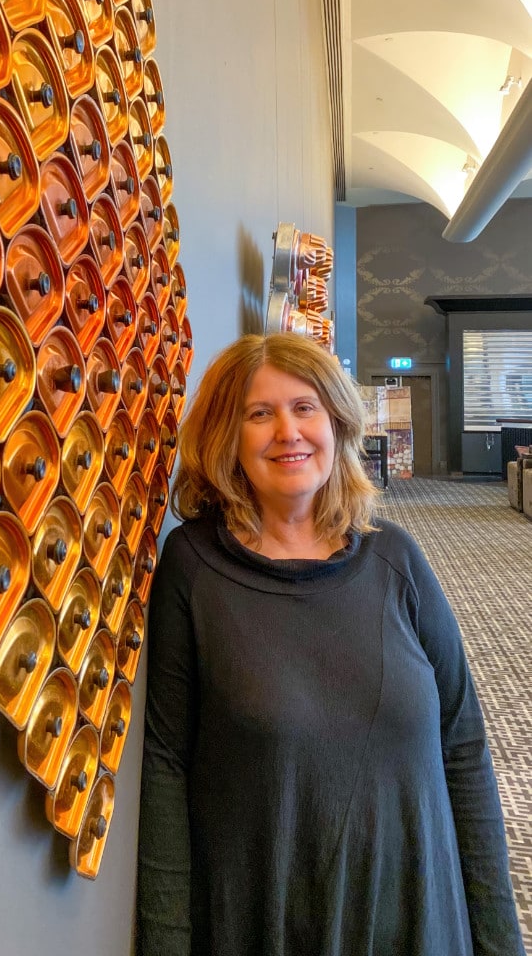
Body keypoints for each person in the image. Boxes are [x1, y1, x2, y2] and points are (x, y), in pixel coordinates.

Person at [136, 332, 525, 956]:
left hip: (418, 917)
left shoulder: (397, 559)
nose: (287, 431)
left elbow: (464, 749)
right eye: (259, 413)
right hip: (271, 920)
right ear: (227, 437)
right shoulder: (193, 568)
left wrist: (500, 942)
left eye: (305, 408)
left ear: (337, 423)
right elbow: (165, 768)